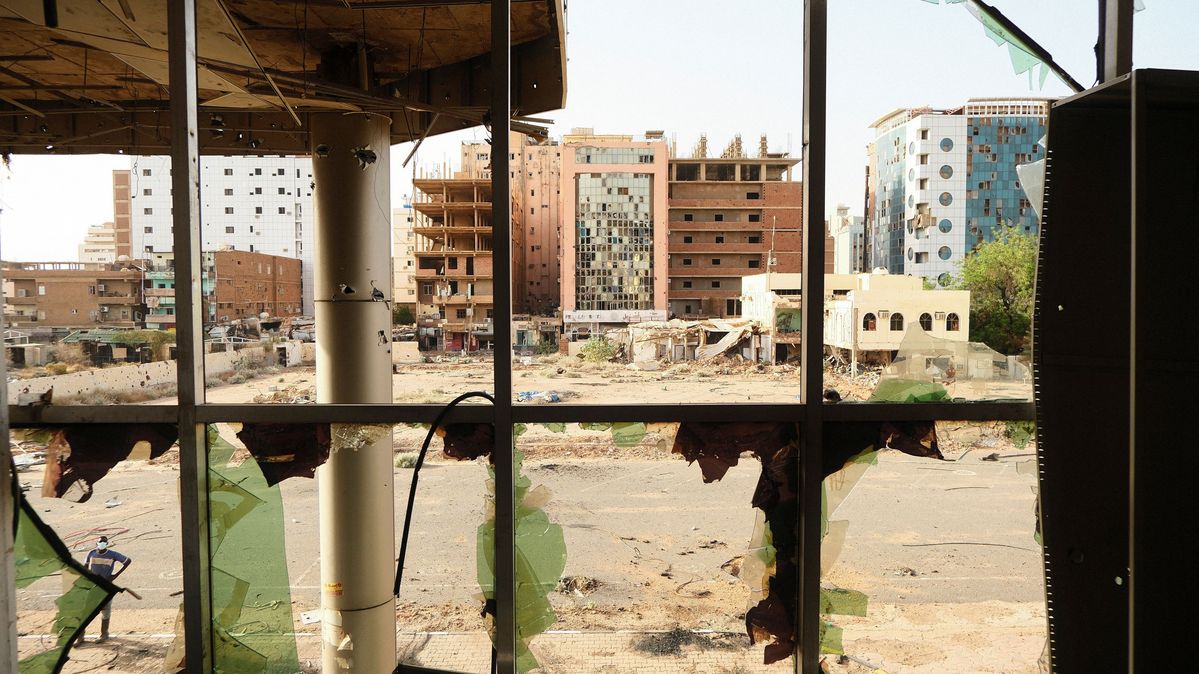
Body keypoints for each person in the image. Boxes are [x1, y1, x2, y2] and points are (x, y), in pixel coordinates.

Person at [81, 536, 131, 643]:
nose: (101, 543)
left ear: (107, 543)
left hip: (106, 586)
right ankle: (80, 637)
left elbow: (127, 561)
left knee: (105, 610)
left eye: (104, 542)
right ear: (97, 543)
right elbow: (85, 567)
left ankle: (104, 634)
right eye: (100, 542)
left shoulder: (112, 554)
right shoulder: (91, 553)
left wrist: (115, 575)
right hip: (93, 587)